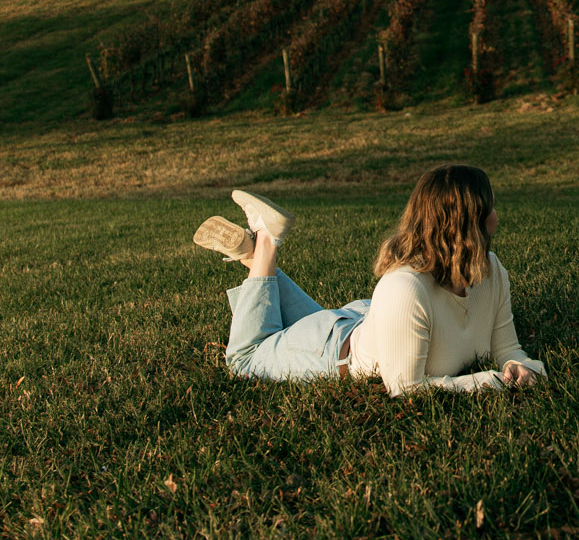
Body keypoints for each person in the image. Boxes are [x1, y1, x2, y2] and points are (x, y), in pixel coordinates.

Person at [195, 164, 547, 394]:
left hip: (374, 321)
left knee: (269, 325)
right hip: (330, 351)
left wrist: (518, 366)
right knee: (244, 360)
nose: (497, 216)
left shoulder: (491, 271)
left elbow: (508, 349)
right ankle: (265, 243)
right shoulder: (405, 288)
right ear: (471, 220)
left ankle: (254, 254)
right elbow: (405, 388)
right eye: (491, 207)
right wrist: (482, 382)